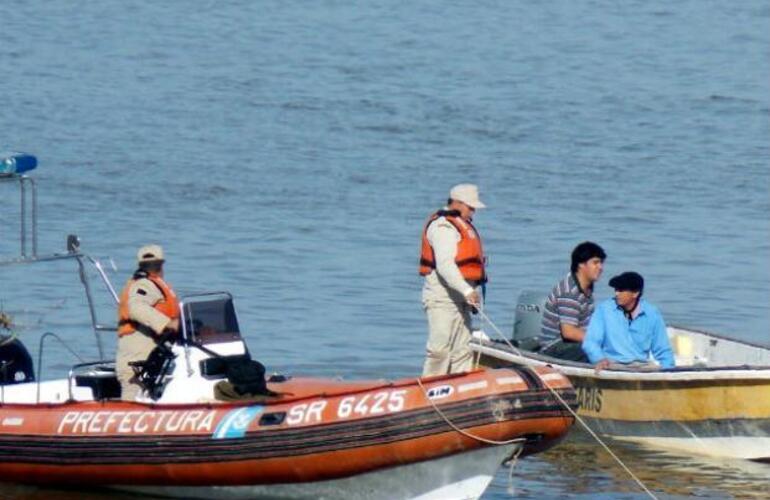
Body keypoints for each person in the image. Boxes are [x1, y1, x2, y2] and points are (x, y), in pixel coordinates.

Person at [419, 184, 487, 376]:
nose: (473, 211)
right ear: (456, 203)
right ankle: (430, 392)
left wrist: (471, 295)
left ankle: (458, 388)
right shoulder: (443, 227)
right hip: (442, 300)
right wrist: (467, 291)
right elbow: (445, 266)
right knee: (439, 351)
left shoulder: (463, 226)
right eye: (470, 207)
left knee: (462, 351)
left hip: (462, 301)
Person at [116, 244, 180, 400]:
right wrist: (167, 324)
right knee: (134, 396)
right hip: (138, 356)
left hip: (152, 355)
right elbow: (136, 307)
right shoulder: (143, 284)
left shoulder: (156, 285)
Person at [582, 271, 675, 371]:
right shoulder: (604, 310)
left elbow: (662, 349)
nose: (617, 293)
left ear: (635, 293)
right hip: (611, 365)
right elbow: (590, 342)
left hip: (642, 366)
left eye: (621, 290)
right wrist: (599, 359)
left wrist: (668, 370)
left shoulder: (652, 313)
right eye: (616, 289)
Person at [539, 241, 606, 362]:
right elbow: (569, 332)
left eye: (601, 263)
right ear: (581, 264)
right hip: (555, 348)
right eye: (595, 263)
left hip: (571, 344)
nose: (600, 267)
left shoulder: (586, 288)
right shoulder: (570, 291)